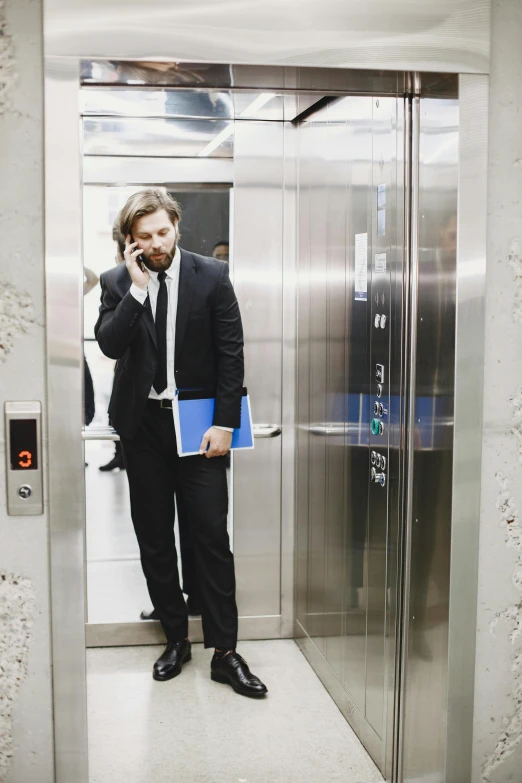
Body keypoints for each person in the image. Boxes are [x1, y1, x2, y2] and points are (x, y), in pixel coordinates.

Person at [94, 189, 267, 697]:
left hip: (198, 426)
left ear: (176, 226)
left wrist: (226, 422)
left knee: (211, 536)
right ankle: (175, 638)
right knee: (154, 536)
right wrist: (137, 290)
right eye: (143, 237)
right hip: (143, 427)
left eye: (162, 233)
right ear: (130, 241)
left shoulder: (210, 276)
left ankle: (225, 652)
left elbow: (230, 352)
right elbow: (108, 343)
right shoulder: (116, 282)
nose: (156, 244)